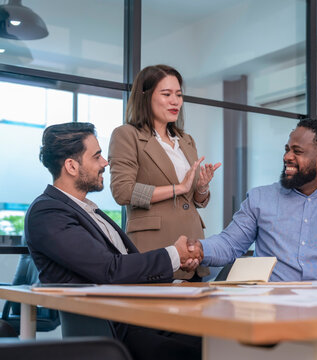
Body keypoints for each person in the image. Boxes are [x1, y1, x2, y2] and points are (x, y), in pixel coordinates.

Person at [26, 122, 202, 360]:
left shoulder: (88, 210)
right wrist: (173, 255)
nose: (105, 163)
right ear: (71, 166)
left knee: (222, 337)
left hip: (139, 318)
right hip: (115, 332)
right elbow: (109, 270)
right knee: (212, 346)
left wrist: (178, 265)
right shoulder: (48, 213)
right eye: (97, 156)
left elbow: (125, 266)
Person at [189, 119, 317, 283]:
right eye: (287, 149)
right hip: (269, 308)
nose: (287, 157)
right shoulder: (260, 199)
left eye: (297, 152)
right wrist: (199, 249)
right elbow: (229, 244)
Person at [108, 64, 220, 281]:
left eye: (178, 95)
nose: (175, 101)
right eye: (166, 94)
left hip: (192, 249)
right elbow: (123, 192)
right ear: (145, 96)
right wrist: (179, 188)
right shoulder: (127, 135)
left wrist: (202, 188)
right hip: (154, 249)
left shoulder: (186, 141)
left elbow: (193, 200)